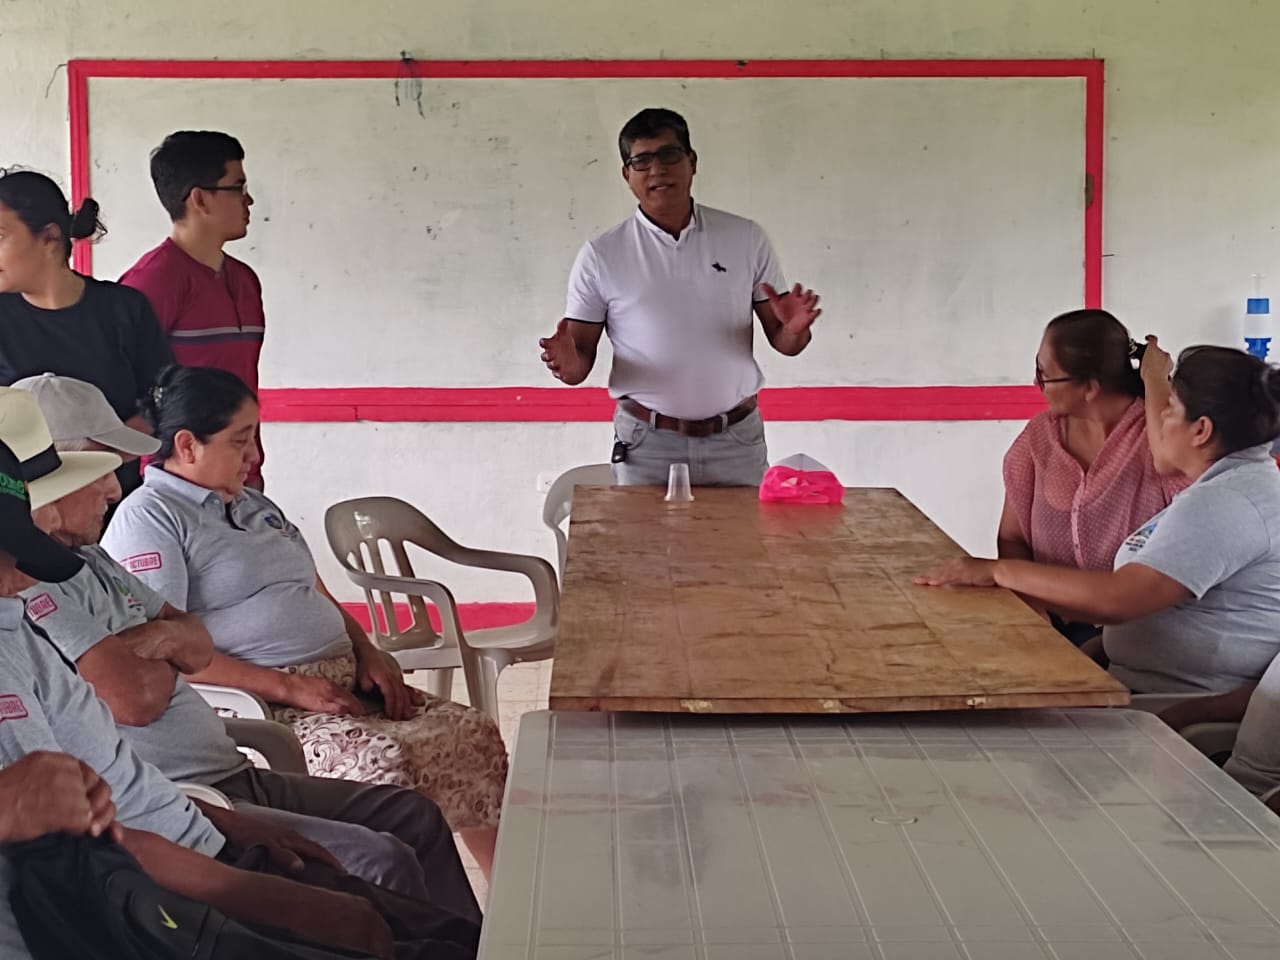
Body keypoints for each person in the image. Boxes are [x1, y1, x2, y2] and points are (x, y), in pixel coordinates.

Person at [0, 425, 479, 960]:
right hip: (163, 898)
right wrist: (260, 893)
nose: (20, 576)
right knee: (387, 900)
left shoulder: (24, 619)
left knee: (454, 930)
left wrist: (226, 824)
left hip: (201, 825)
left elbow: (121, 790)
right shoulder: (127, 536)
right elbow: (130, 717)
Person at [103, 365, 508, 878]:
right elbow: (170, 653)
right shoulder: (151, 518)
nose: (254, 455)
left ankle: (503, 897)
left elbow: (314, 591)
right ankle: (396, 907)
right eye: (240, 441)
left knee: (472, 732)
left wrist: (367, 651)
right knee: (384, 763)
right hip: (267, 702)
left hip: (343, 686)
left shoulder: (255, 505)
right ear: (187, 446)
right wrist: (289, 687)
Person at [916, 339, 1280, 695]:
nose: (1158, 419)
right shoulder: (1226, 488)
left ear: (1200, 430)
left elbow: (1120, 599)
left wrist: (999, 572)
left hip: (1175, 702)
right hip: (1134, 680)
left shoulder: (1227, 502)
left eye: (1169, 407)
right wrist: (1097, 652)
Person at [537, 107, 822, 486]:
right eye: (641, 161)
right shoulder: (602, 255)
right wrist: (566, 364)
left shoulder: (745, 238)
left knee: (743, 530)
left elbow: (786, 343)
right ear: (626, 175)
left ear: (692, 162)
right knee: (644, 531)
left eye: (669, 155)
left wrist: (797, 329)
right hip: (647, 445)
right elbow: (579, 364)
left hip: (736, 442)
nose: (657, 169)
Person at [1000, 310, 1185, 644]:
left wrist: (1155, 378)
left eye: (1045, 375)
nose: (1037, 384)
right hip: (1049, 628)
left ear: (1089, 388)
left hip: (1141, 638)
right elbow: (1011, 537)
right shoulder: (1039, 437)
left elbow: (1180, 568)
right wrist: (1032, 609)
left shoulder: (1156, 440)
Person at [0, 169, 171, 497]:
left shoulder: (124, 309)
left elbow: (162, 399)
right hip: (23, 504)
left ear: (50, 238)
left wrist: (100, 458)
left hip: (113, 498)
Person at [119, 131, 266, 490]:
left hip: (243, 476)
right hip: (177, 485)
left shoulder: (245, 280)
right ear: (199, 199)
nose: (249, 200)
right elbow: (127, 390)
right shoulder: (152, 281)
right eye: (238, 187)